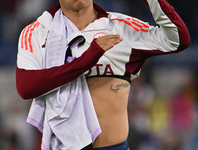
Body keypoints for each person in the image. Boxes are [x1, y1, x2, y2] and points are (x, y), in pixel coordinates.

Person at [16, 0, 190, 149]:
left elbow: (177, 39)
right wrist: (88, 58)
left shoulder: (119, 27)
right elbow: (26, 87)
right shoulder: (37, 32)